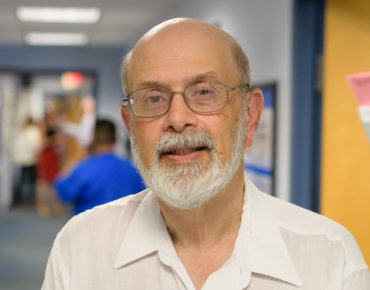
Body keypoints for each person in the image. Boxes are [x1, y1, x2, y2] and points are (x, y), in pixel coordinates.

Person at [42, 18, 369, 289]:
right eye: (154, 98)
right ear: (130, 125)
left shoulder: (330, 259)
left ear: (251, 115)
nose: (178, 119)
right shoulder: (80, 248)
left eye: (204, 92)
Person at [53, 119, 145, 215]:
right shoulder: (132, 170)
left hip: (89, 227)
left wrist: (77, 157)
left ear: (93, 140)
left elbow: (61, 191)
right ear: (115, 139)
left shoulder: (84, 168)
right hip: (125, 227)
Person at [36, 126, 63, 218]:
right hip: (47, 160)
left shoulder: (54, 143)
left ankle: (54, 205)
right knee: (44, 185)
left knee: (54, 185)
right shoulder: (47, 141)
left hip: (52, 161)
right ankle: (43, 206)